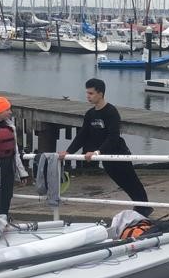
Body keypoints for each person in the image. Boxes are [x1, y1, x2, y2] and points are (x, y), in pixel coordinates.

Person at [59, 78, 151, 216]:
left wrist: (97, 152)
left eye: (91, 93)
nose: (88, 96)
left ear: (100, 94)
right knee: (122, 183)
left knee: (132, 181)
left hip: (119, 153)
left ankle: (145, 207)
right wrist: (68, 152)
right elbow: (82, 135)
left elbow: (113, 136)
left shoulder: (111, 112)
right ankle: (140, 206)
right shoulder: (90, 114)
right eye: (87, 93)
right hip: (105, 156)